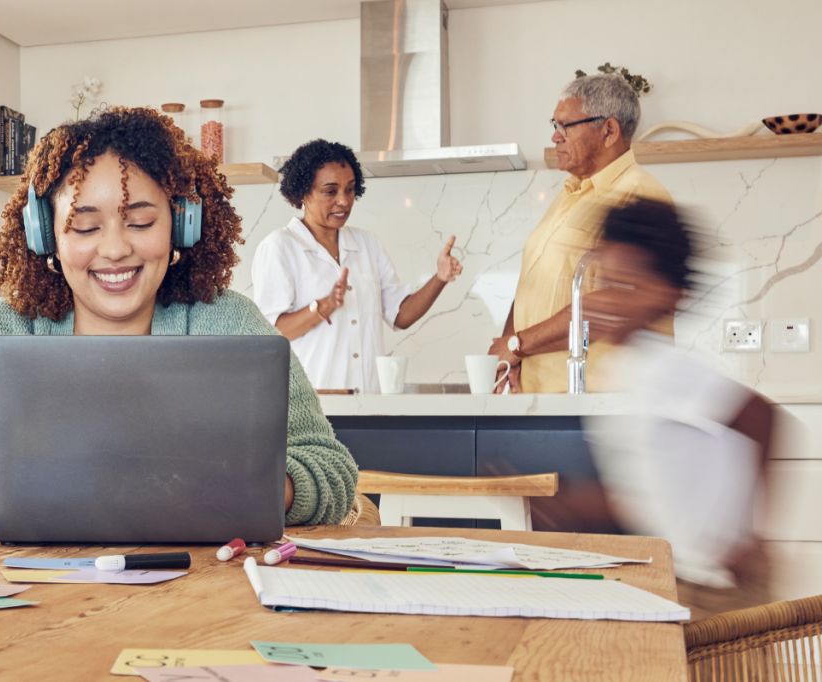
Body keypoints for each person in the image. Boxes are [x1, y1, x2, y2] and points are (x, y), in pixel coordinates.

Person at [0, 107, 357, 528]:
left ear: (182, 225)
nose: (115, 248)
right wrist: (31, 494)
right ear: (46, 235)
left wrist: (236, 491)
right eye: (84, 225)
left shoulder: (230, 321)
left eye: (141, 222)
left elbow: (330, 469)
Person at [584, 198, 774, 619]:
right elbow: (652, 476)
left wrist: (751, 534)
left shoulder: (668, 368)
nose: (607, 300)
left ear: (672, 295)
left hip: (719, 590)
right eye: (604, 281)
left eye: (627, 287)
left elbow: (762, 416)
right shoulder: (624, 368)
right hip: (677, 578)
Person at [488, 73, 673, 393]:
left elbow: (616, 305)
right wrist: (511, 352)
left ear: (609, 131)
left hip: (601, 404)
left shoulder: (639, 196)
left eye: (566, 126)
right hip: (546, 399)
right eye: (554, 125)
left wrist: (518, 344)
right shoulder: (569, 195)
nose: (556, 137)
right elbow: (530, 284)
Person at [251, 139, 463, 393]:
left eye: (350, 190)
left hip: (369, 401)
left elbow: (401, 315)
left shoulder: (367, 244)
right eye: (331, 191)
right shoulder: (280, 247)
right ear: (303, 194)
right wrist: (321, 307)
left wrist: (439, 278)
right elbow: (271, 335)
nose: (344, 201)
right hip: (313, 405)